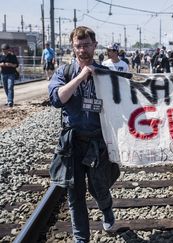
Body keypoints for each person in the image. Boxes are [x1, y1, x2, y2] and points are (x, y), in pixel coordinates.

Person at [48, 26, 119, 242]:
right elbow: (57, 98)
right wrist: (81, 76)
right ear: (73, 47)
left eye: (86, 45)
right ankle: (81, 239)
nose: (82, 50)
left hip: (98, 142)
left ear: (95, 46)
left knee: (99, 187)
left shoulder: (106, 74)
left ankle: (106, 209)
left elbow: (121, 102)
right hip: (73, 144)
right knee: (74, 195)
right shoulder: (65, 72)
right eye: (78, 46)